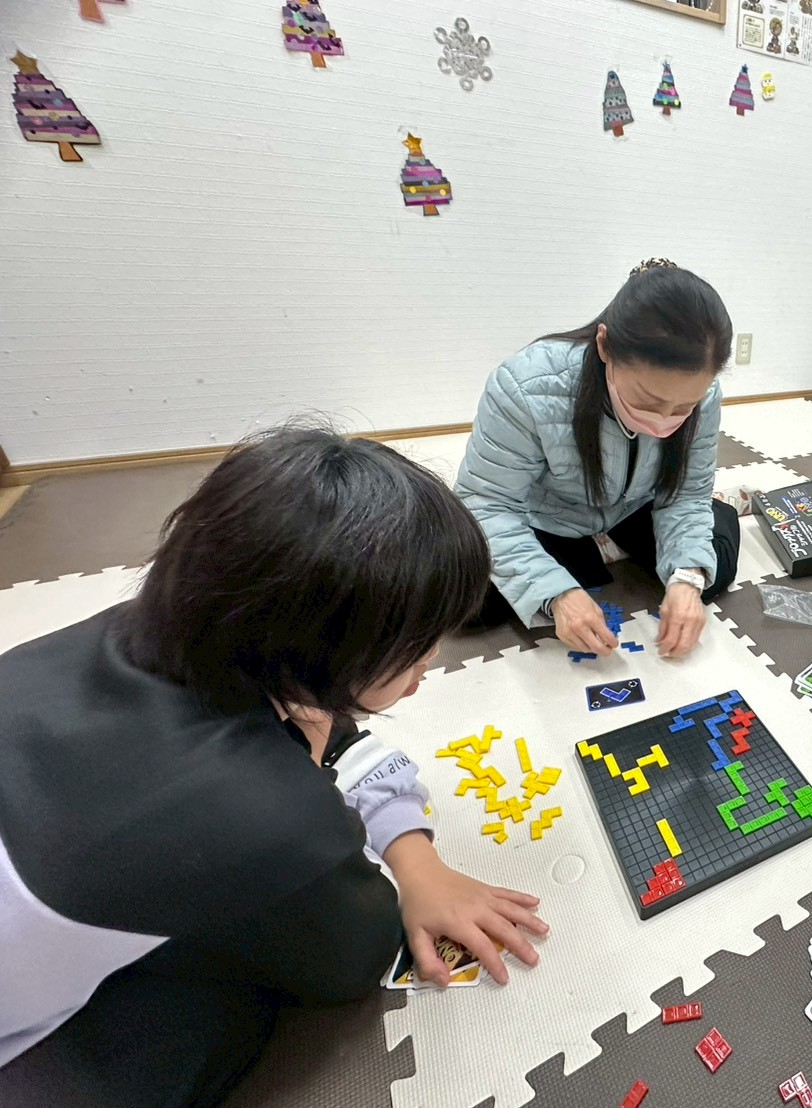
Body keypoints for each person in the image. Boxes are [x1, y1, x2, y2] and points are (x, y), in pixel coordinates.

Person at [0, 428, 548, 1107]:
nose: (429, 664)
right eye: (416, 648)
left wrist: (416, 861)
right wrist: (365, 851)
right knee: (223, 1014)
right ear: (330, 655)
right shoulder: (268, 812)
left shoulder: (157, 626)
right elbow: (351, 958)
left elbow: (331, 732)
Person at [457, 259, 738, 659]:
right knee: (464, 600)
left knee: (713, 571)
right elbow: (486, 502)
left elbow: (686, 495)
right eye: (648, 400)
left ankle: (605, 549)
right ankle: (596, 552)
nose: (664, 421)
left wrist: (688, 579)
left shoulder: (705, 394)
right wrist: (557, 594)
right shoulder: (525, 386)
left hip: (637, 507)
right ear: (605, 346)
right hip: (551, 515)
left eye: (683, 407)